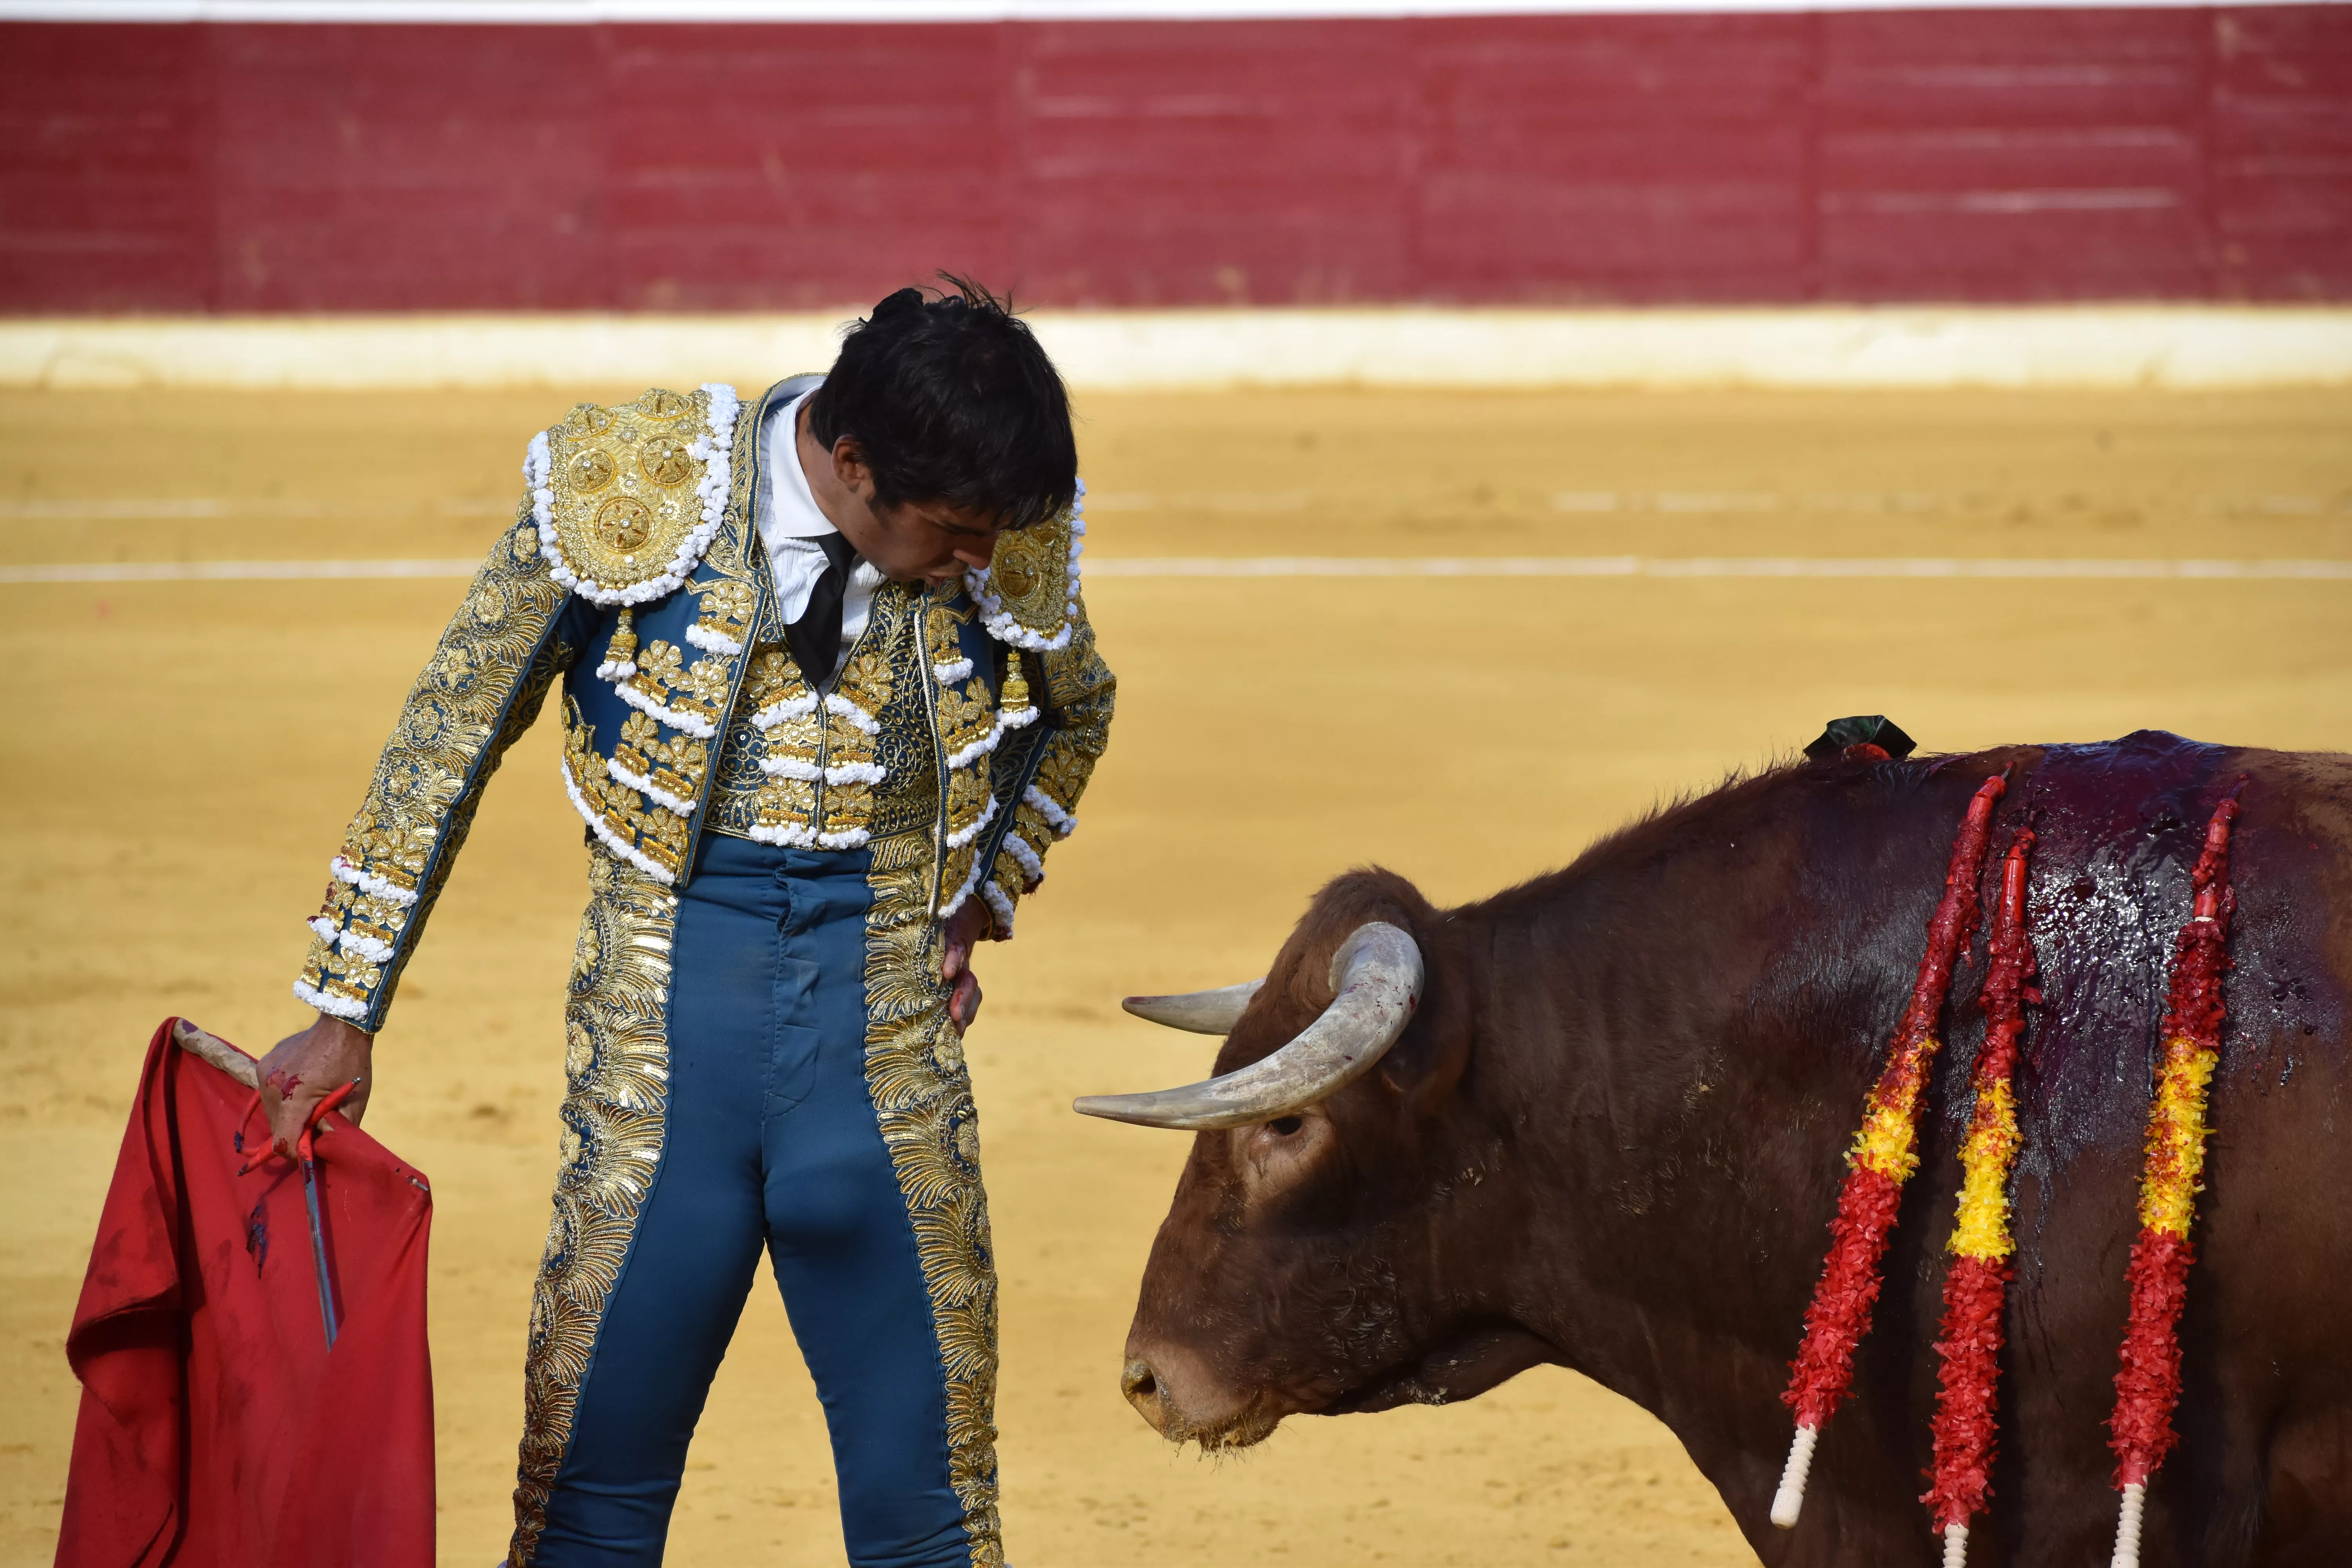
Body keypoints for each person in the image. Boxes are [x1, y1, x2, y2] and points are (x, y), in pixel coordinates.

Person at [254, 280, 1115, 1568]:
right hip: (657, 1075)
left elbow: (1078, 709)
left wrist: (979, 895)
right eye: (952, 532)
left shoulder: (996, 520)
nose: (981, 562)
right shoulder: (626, 486)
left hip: (886, 1061)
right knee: (586, 1519)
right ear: (853, 461)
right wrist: (345, 1008)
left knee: (935, 1527)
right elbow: (448, 736)